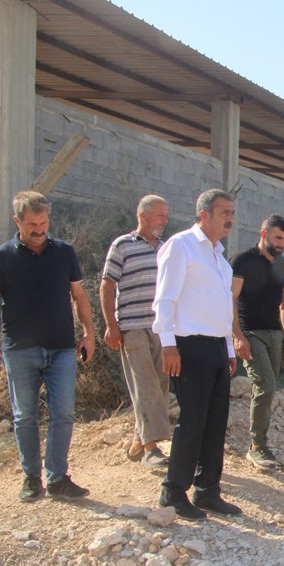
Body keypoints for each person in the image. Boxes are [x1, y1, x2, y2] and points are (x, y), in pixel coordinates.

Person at [0, 191, 94, 502]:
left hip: (61, 348)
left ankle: (57, 478)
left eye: (43, 223)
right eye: (32, 225)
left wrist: (89, 332)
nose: (40, 230)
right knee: (24, 416)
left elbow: (79, 295)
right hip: (19, 350)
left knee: (63, 414)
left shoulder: (64, 252)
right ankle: (31, 478)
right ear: (17, 221)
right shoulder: (2, 256)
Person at [151, 188, 241, 521]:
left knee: (215, 422)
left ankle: (207, 490)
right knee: (193, 421)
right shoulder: (182, 246)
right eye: (224, 212)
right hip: (189, 346)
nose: (230, 219)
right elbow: (165, 298)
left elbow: (222, 307)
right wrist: (168, 343)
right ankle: (173, 492)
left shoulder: (218, 256)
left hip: (216, 347)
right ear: (204, 214)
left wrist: (228, 347)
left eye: (232, 213)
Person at [100, 195, 172, 467]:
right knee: (145, 385)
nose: (165, 220)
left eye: (166, 215)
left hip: (162, 329)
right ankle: (152, 449)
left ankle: (139, 440)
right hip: (132, 327)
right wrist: (111, 325)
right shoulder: (122, 245)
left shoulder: (166, 248)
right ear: (143, 216)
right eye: (160, 215)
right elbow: (107, 286)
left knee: (161, 386)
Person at [231, 214, 284, 471]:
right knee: (265, 385)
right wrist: (237, 335)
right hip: (251, 333)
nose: (281, 244)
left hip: (275, 334)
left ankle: (261, 442)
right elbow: (230, 298)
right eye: (278, 238)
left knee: (269, 388)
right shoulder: (243, 260)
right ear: (263, 234)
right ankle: (257, 446)